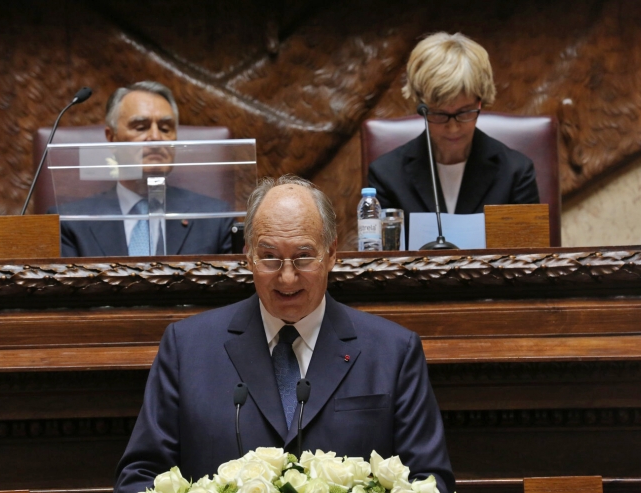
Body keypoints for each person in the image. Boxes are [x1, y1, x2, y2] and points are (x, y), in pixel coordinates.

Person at [114, 175, 455, 493]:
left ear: (332, 253)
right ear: (248, 254)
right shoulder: (187, 348)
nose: (287, 278)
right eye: (270, 258)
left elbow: (430, 479)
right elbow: (139, 476)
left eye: (304, 258)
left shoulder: (393, 352)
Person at [368, 32, 539, 234]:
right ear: (420, 106)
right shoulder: (386, 175)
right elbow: (381, 259)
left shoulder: (516, 173)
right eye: (440, 114)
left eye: (464, 113)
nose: (453, 128)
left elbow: (529, 259)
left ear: (479, 102)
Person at [53, 81, 232, 257]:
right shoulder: (70, 222)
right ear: (112, 138)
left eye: (165, 128)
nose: (156, 137)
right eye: (141, 127)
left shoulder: (215, 218)